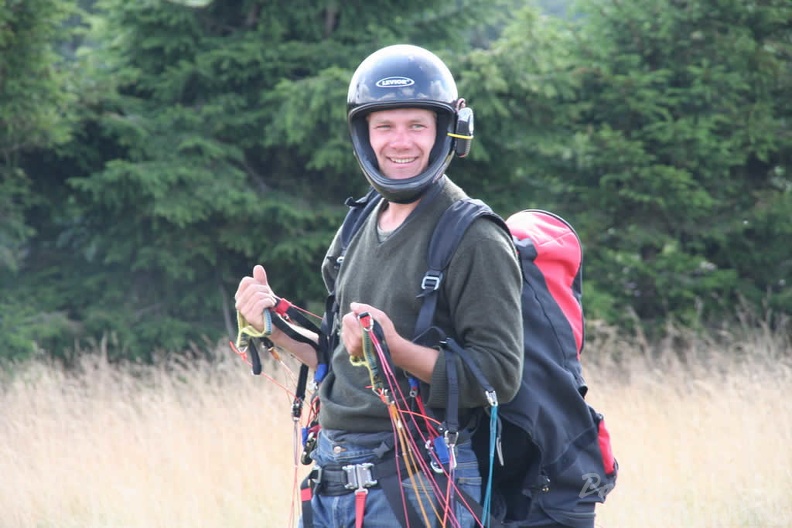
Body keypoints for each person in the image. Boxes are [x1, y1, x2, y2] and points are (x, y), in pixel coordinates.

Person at [234, 44, 524, 528]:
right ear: (364, 136)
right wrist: (273, 328)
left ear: (448, 132)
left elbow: (498, 376)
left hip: (419, 486)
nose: (400, 142)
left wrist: (396, 350)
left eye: (417, 126)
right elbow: (340, 356)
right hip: (331, 482)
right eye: (384, 126)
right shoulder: (357, 222)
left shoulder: (474, 235)